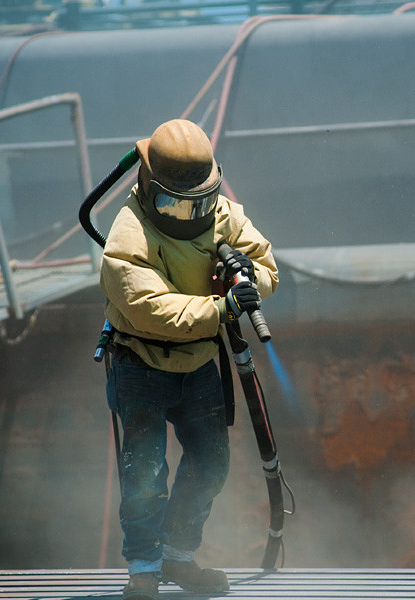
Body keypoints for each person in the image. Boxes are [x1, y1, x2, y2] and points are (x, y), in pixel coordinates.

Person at [99, 119, 278, 597]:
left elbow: (268, 269)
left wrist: (245, 278)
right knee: (144, 473)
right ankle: (143, 568)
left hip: (197, 364)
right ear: (148, 186)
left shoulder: (222, 214)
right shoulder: (128, 235)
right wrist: (223, 308)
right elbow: (150, 309)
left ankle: (177, 556)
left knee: (210, 462)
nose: (188, 214)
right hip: (140, 364)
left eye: (197, 203)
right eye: (174, 203)